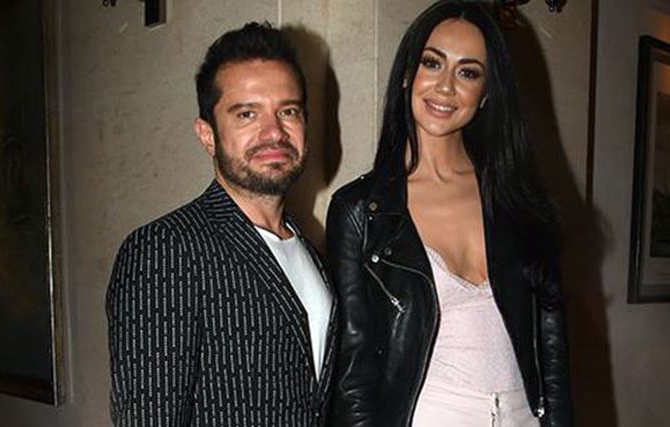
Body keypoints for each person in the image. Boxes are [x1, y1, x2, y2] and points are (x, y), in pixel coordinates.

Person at [326, 1, 572, 426]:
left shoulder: (516, 198)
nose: (445, 86)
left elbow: (552, 347)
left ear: (487, 92)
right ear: (408, 73)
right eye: (432, 63)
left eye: (468, 72)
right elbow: (354, 373)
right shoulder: (360, 211)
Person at [106, 22, 336, 426]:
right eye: (247, 114)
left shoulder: (311, 251)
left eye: (288, 111)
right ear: (207, 135)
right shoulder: (164, 250)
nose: (274, 132)